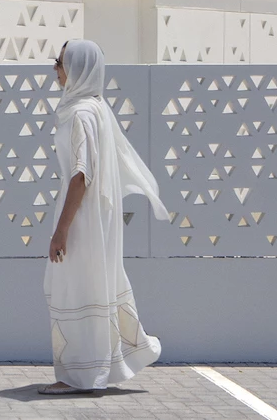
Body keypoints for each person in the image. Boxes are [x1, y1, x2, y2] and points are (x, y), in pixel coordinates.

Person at [43, 37, 171, 392]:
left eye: (61, 62)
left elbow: (81, 176)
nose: (55, 68)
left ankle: (80, 375)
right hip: (93, 216)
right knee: (92, 284)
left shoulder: (82, 114)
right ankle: (96, 367)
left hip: (81, 218)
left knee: (76, 288)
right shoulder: (95, 108)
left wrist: (61, 231)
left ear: (78, 68)